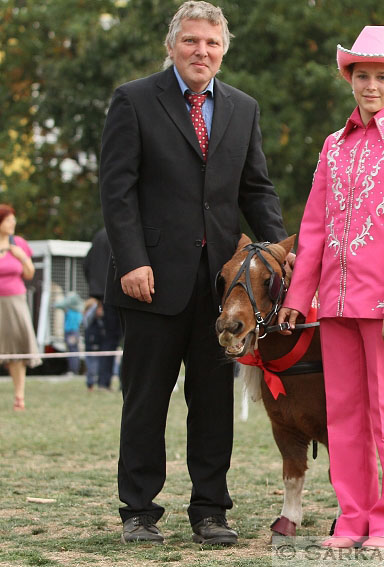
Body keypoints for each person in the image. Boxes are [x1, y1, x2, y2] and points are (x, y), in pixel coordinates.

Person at [99, 1, 287, 546]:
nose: (201, 51)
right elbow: (117, 191)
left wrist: (276, 251)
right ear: (172, 46)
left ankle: (210, 511)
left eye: (211, 42)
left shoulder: (242, 108)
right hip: (150, 281)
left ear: (223, 50)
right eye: (191, 41)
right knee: (146, 402)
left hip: (222, 291)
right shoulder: (133, 100)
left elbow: (256, 189)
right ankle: (138, 511)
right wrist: (132, 259)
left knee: (212, 404)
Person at [278, 25, 384, 550]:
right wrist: (300, 299)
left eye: (382, 77)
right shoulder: (333, 146)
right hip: (336, 304)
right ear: (350, 79)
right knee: (344, 416)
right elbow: (314, 227)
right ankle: (354, 520)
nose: (371, 85)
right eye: (362, 75)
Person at [0, 204, 40, 411]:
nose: (13, 223)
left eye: (13, 219)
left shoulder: (19, 243)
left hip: (15, 301)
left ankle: (19, 397)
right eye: (8, 220)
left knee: (16, 350)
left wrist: (21, 256)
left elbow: (29, 274)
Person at [83, 227, 122, 390]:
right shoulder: (123, 232)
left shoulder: (99, 236)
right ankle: (125, 382)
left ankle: (103, 382)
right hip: (124, 293)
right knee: (130, 341)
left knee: (108, 340)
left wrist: (96, 295)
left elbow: (87, 264)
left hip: (103, 296)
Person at [55, 292, 84, 375]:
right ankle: (73, 370)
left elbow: (59, 305)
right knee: (72, 350)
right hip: (72, 332)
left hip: (72, 332)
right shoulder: (77, 311)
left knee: (73, 351)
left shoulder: (73, 311)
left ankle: (73, 370)